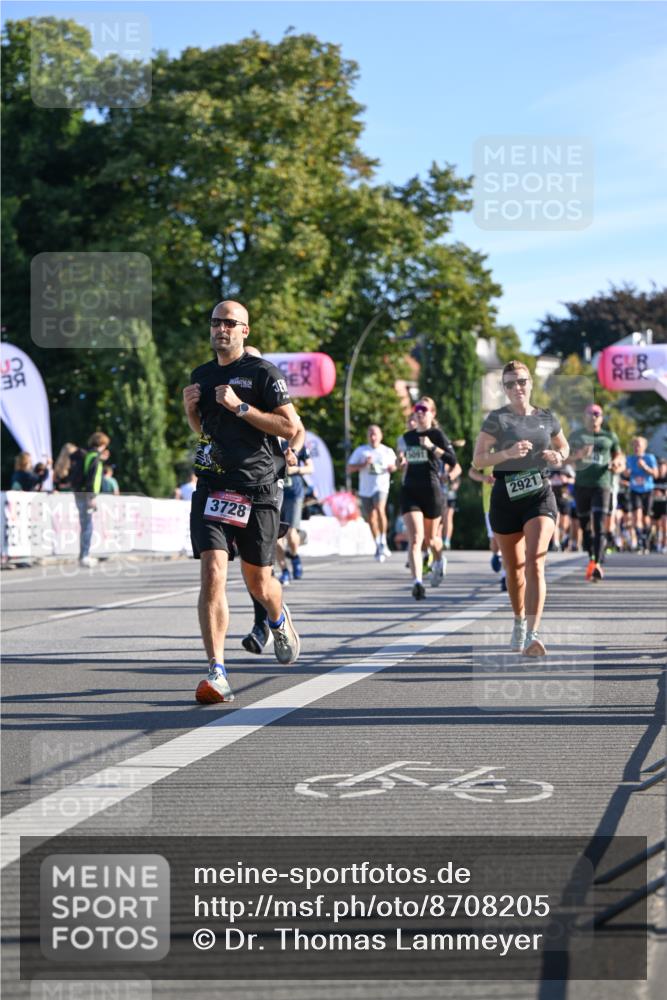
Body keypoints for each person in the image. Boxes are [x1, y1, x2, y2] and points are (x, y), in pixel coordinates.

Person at [183, 299, 301, 704]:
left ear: (245, 330)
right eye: (216, 322)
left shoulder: (262, 373)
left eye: (231, 323)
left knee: (258, 581)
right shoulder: (202, 374)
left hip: (258, 486)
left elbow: (290, 425)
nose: (222, 329)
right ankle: (217, 671)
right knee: (213, 572)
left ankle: (277, 617)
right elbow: (206, 429)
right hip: (214, 485)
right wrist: (190, 413)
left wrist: (241, 406)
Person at [472, 360, 569, 656]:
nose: (517, 388)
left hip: (539, 494)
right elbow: (478, 460)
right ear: (504, 389)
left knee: (535, 560)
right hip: (505, 499)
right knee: (514, 571)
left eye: (522, 381)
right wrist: (507, 453)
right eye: (511, 384)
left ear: (531, 383)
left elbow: (564, 447)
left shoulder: (546, 417)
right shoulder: (496, 420)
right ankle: (519, 622)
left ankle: (533, 633)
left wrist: (557, 455)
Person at [397, 397, 458, 600]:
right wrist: (400, 461)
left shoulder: (437, 435)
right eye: (417, 408)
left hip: (432, 492)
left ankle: (439, 559)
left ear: (432, 413)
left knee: (432, 540)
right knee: (415, 540)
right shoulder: (407, 437)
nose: (420, 412)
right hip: (410, 491)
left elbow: (453, 461)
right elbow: (401, 461)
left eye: (424, 409)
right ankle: (417, 583)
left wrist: (432, 447)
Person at [569, 404, 622, 581]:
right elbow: (563, 458)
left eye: (597, 414)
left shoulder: (609, 436)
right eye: (590, 413)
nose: (593, 417)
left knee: (599, 524)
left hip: (602, 484)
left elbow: (618, 457)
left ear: (602, 417)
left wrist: (617, 465)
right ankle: (592, 555)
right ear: (584, 416)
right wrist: (578, 456)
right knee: (585, 526)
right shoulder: (576, 436)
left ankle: (596, 563)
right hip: (582, 485)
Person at [346, 424, 397, 562]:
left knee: (380, 510)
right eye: (370, 434)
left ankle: (383, 541)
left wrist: (392, 468)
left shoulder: (387, 451)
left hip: (381, 486)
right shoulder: (361, 451)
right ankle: (378, 544)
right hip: (365, 490)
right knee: (371, 518)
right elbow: (349, 468)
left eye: (375, 434)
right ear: (368, 436)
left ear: (381, 436)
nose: (373, 437)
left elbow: (394, 466)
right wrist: (363, 464)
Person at [278, 437, 313, 583]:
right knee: (276, 535)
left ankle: (294, 556)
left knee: (291, 532)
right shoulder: (264, 440)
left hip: (294, 493)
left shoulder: (294, 443)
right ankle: (284, 570)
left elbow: (310, 468)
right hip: (273, 493)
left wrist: (295, 469)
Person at [74, 432, 111, 567]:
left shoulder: (88, 455)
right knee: (87, 525)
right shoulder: (94, 457)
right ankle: (84, 555)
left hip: (80, 493)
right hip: (86, 494)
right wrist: (91, 497)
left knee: (85, 524)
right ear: (102, 444)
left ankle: (83, 554)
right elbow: (91, 478)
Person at [468, 465, 507, 591]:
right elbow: (472, 472)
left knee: (507, 542)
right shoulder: (486, 448)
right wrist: (484, 477)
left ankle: (505, 577)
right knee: (495, 543)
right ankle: (496, 554)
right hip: (490, 503)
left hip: (510, 500)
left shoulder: (514, 447)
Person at [624, 436, 658, 553]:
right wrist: (627, 472)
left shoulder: (650, 458)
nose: (636, 447)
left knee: (646, 518)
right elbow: (626, 473)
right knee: (637, 516)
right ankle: (639, 541)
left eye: (638, 444)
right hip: (635, 490)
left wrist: (644, 467)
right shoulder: (630, 458)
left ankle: (646, 539)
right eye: (634, 444)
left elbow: (656, 474)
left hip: (648, 490)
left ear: (644, 446)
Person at [651, 458, 667, 553]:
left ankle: (665, 544)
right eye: (659, 466)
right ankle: (658, 543)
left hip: (665, 503)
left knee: (665, 524)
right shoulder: (654, 477)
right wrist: (654, 492)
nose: (661, 468)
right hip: (655, 503)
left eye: (663, 466)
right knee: (657, 526)